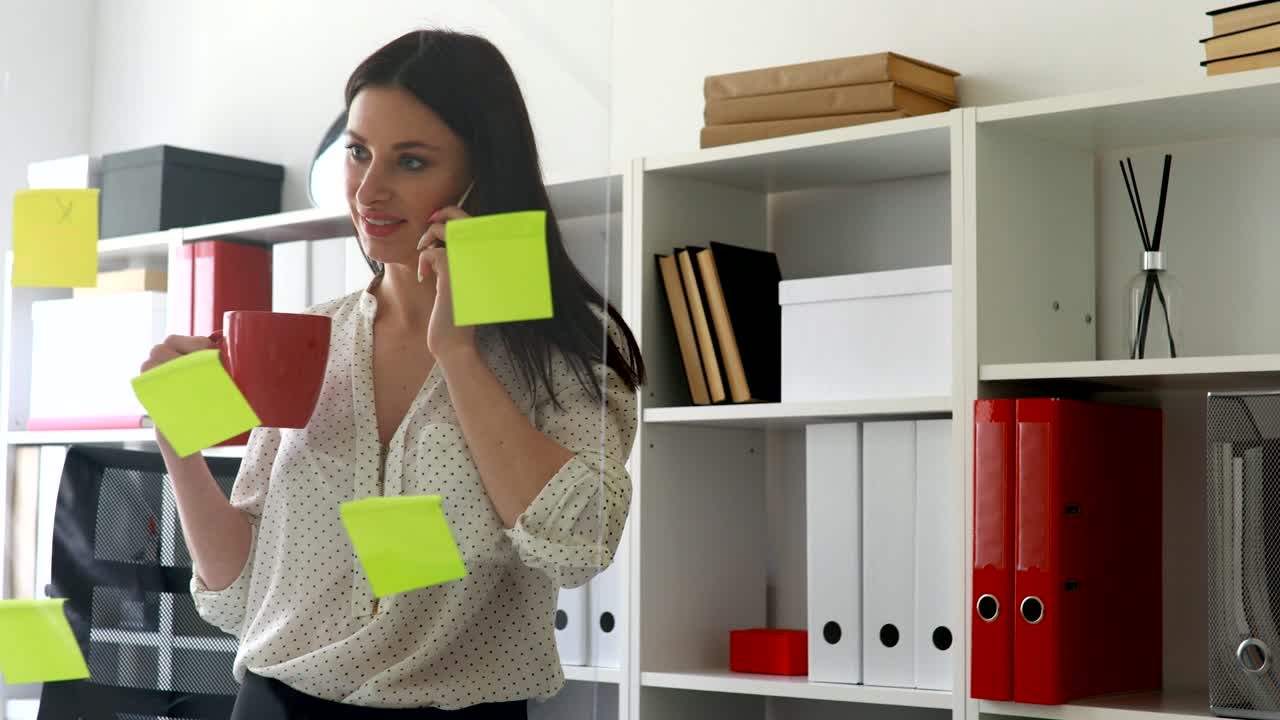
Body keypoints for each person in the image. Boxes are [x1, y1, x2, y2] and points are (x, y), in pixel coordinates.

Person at [143, 29, 644, 719]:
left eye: (410, 161)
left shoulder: (566, 350)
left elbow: (578, 546)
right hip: (276, 702)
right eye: (358, 153)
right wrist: (179, 447)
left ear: (483, 175)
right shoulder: (309, 334)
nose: (369, 190)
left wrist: (459, 354)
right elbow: (239, 590)